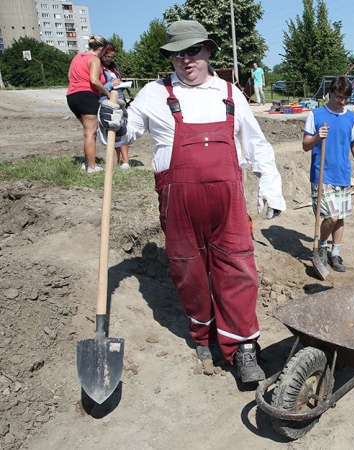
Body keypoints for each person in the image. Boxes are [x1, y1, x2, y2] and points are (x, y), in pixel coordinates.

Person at [98, 20, 287, 384]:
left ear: (208, 51)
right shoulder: (153, 94)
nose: (186, 60)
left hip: (227, 202)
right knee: (189, 272)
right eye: (177, 54)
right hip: (178, 201)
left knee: (237, 268)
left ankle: (243, 347)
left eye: (193, 51)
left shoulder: (230, 94)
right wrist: (116, 122)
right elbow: (127, 131)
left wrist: (271, 186)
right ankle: (203, 333)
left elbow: (256, 143)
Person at [302, 76, 354, 273]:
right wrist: (317, 136)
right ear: (330, 93)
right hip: (322, 174)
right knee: (330, 217)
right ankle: (322, 246)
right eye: (339, 97)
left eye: (345, 98)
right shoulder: (316, 115)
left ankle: (335, 252)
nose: (342, 101)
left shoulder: (351, 118)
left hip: (343, 174)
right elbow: (305, 146)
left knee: (340, 217)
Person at [66, 34, 110, 173]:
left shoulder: (77, 57)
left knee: (88, 132)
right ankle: (91, 166)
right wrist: (107, 93)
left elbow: (69, 76)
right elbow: (94, 80)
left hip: (72, 96)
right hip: (87, 96)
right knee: (91, 133)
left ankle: (87, 163)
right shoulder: (95, 60)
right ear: (101, 48)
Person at [99, 42, 131, 169]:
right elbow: (98, 86)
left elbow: (118, 81)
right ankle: (114, 162)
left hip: (120, 100)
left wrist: (121, 84)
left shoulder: (114, 68)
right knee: (111, 131)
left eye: (113, 57)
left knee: (122, 130)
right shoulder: (99, 68)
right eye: (108, 57)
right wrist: (111, 85)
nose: (110, 60)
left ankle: (125, 160)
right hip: (107, 101)